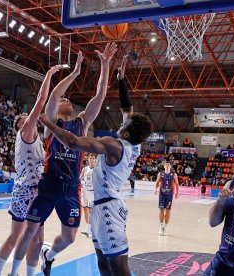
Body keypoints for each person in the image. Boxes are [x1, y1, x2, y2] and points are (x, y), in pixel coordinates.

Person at [37, 54, 152, 276]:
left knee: (119, 268)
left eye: (124, 124)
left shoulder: (113, 145)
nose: (123, 122)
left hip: (106, 205)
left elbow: (74, 142)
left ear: (126, 131)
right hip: (98, 204)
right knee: (102, 261)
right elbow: (127, 110)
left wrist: (49, 124)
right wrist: (119, 79)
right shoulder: (134, 146)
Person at [10, 43, 118, 276]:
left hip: (71, 189)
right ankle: (13, 272)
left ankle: (48, 256)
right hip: (48, 184)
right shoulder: (51, 124)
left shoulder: (82, 122)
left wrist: (105, 64)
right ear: (57, 107)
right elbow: (55, 93)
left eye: (69, 99)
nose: (66, 99)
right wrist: (75, 72)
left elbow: (100, 94)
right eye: (63, 100)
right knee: (28, 232)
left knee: (69, 238)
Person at [0, 65, 62, 276]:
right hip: (26, 191)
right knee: (20, 237)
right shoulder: (26, 131)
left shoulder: (34, 139)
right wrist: (49, 75)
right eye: (24, 117)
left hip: (34, 190)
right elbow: (41, 101)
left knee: (37, 239)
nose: (28, 117)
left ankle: (25, 273)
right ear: (21, 124)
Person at [154, 162, 179, 236]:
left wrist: (177, 193)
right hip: (162, 194)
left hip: (170, 195)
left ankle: (166, 227)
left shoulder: (174, 174)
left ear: (170, 167)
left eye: (169, 165)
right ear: (164, 166)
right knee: (161, 209)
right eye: (166, 164)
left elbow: (177, 184)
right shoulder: (160, 174)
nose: (167, 166)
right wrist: (155, 189)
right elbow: (157, 182)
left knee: (168, 210)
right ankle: (161, 227)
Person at [80, 154, 96, 237]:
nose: (92, 159)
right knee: (85, 209)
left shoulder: (97, 169)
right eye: (90, 158)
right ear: (88, 159)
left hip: (92, 192)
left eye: (93, 158)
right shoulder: (85, 169)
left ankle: (90, 229)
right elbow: (80, 178)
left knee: (91, 211)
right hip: (85, 191)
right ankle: (88, 227)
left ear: (95, 160)